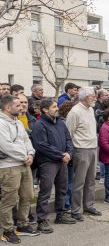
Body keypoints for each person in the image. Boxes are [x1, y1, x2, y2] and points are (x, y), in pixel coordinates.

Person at [33, 98, 76, 234]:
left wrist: (68, 153)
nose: (57, 108)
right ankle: (42, 220)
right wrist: (61, 155)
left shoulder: (60, 123)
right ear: (45, 110)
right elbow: (42, 145)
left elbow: (68, 139)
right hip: (48, 162)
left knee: (62, 189)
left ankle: (61, 214)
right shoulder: (39, 125)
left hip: (62, 161)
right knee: (45, 191)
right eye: (54, 107)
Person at [0, 95, 38, 243]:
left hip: (24, 164)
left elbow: (26, 140)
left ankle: (22, 225)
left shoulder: (18, 122)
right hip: (9, 167)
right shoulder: (1, 123)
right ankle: (7, 230)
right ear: (8, 108)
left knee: (27, 195)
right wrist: (25, 156)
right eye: (18, 105)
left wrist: (30, 153)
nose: (22, 107)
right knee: (9, 200)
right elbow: (7, 146)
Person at [65, 87, 102, 220]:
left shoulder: (90, 109)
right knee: (79, 182)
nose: (94, 98)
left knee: (91, 180)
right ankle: (75, 210)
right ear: (86, 97)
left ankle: (89, 206)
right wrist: (71, 151)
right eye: (93, 96)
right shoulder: (75, 112)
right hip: (81, 149)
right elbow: (69, 132)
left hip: (93, 148)